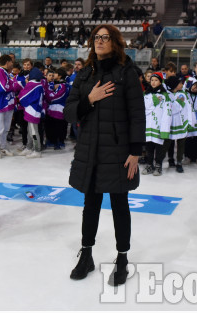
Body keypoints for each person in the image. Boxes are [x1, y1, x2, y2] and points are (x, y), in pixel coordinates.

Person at [63, 24, 144, 287]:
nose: (99, 42)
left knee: (120, 206)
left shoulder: (127, 72)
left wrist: (135, 152)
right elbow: (69, 111)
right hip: (90, 150)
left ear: (115, 42)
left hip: (119, 151)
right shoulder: (85, 74)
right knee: (91, 206)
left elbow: (137, 115)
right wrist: (90, 98)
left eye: (105, 38)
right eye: (96, 38)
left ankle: (122, 258)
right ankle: (86, 254)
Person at [142, 72, 171, 176]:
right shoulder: (146, 94)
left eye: (156, 80)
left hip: (159, 126)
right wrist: (152, 102)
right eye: (152, 80)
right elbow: (143, 109)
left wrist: (165, 128)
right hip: (148, 126)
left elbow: (167, 113)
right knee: (149, 147)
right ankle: (149, 165)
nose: (153, 82)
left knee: (159, 147)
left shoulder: (164, 95)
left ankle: (158, 165)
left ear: (160, 81)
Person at [0, 55, 22, 159]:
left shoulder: (8, 73)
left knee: (6, 128)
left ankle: (3, 147)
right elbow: (3, 88)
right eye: (11, 62)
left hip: (9, 104)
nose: (13, 63)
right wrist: (14, 86)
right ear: (7, 62)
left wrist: (14, 85)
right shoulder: (0, 72)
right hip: (1, 104)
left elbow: (12, 84)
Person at [17, 68, 45, 158]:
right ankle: (29, 147)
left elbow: (22, 96)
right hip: (35, 110)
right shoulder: (39, 84)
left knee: (33, 132)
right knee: (30, 131)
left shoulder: (32, 84)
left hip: (32, 111)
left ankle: (37, 150)